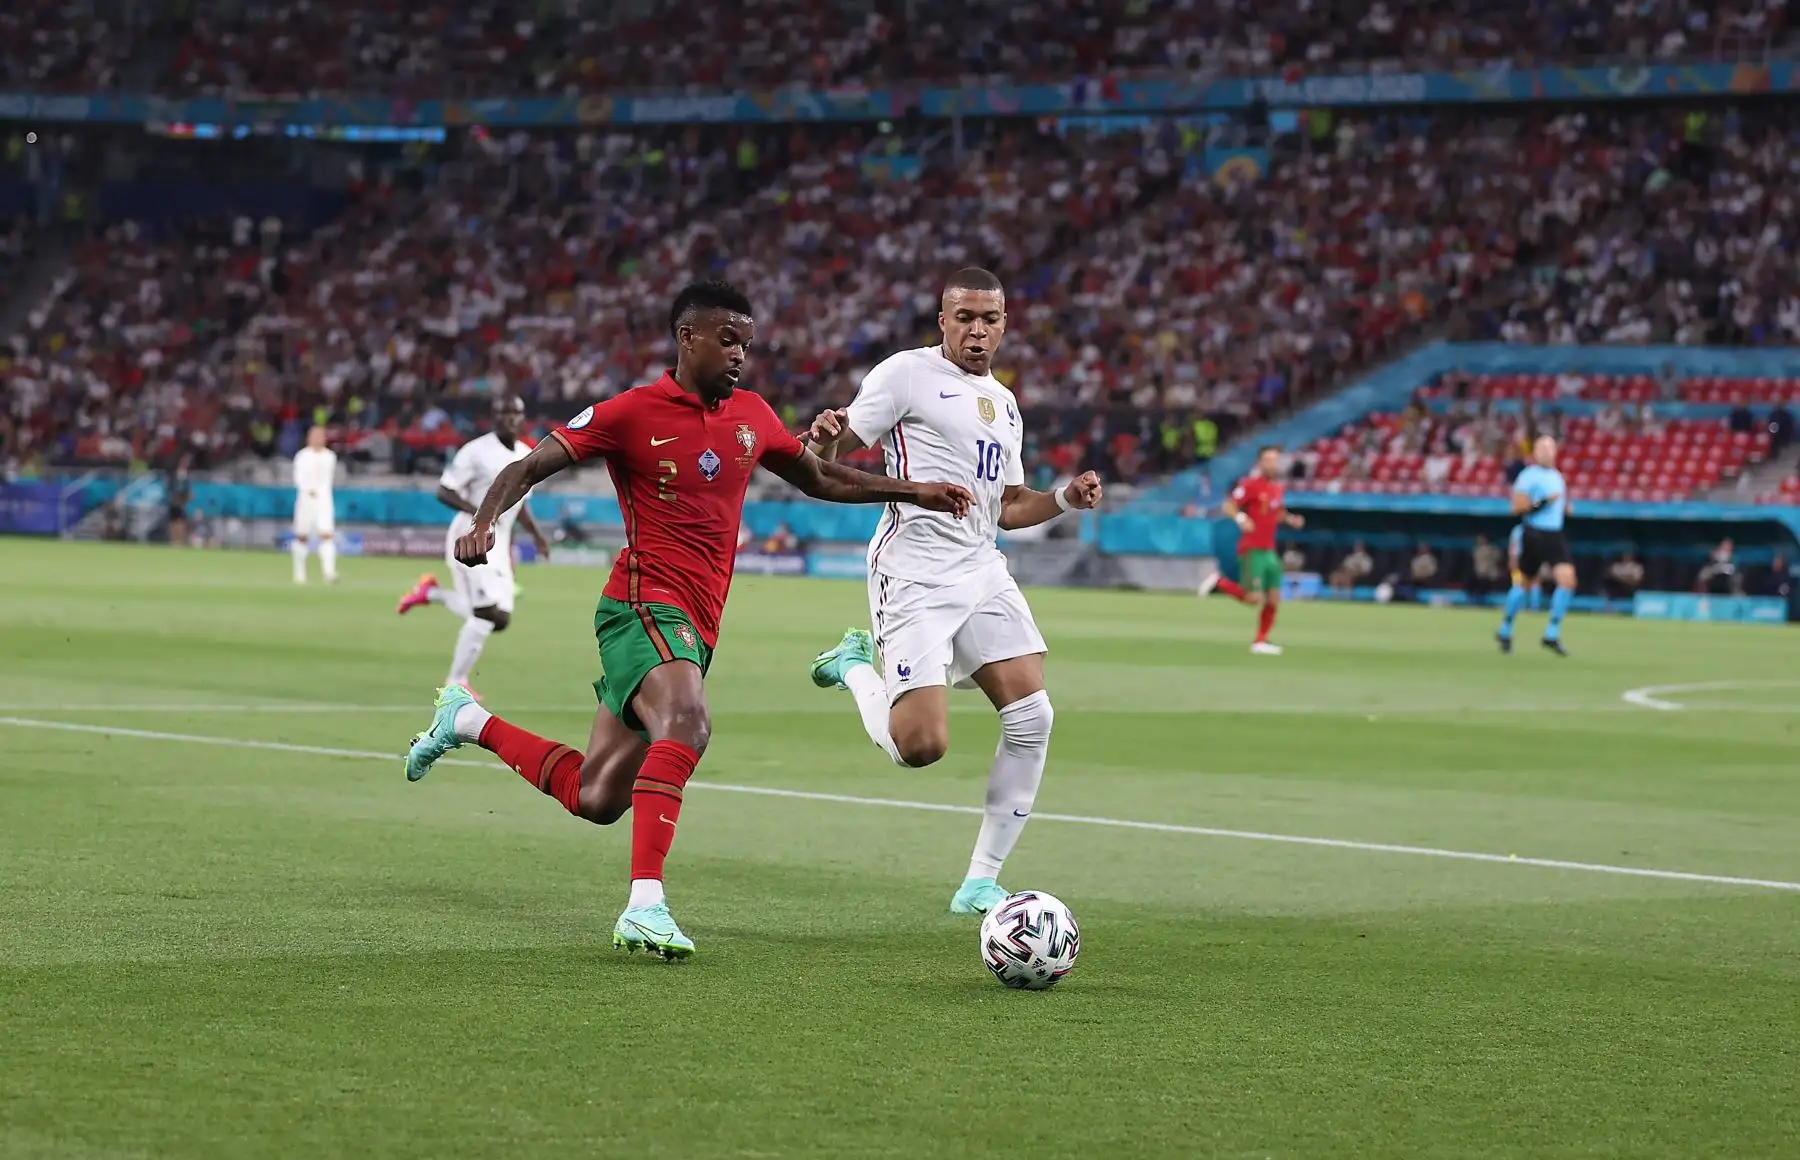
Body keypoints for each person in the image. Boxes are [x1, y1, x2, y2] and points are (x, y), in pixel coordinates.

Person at [400, 281, 973, 960]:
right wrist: (484, 522)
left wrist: (914, 490)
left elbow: (821, 478)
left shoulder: (753, 415)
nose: (738, 355)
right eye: (727, 340)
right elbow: (529, 465)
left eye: (746, 344)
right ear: (687, 338)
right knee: (689, 723)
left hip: (696, 624)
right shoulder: (630, 412)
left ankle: (467, 720)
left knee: (597, 796)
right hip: (641, 604)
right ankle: (646, 904)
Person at [800, 267, 1104, 917]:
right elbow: (828, 453)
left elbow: (1009, 505)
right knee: (921, 747)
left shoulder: (1006, 405)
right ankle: (854, 667)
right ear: (943, 320)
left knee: (1033, 716)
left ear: (1004, 326)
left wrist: (1064, 499)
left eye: (988, 319)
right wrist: (822, 441)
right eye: (963, 316)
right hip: (911, 572)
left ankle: (980, 881)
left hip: (981, 567)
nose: (976, 329)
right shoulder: (905, 374)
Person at [395, 396, 550, 697]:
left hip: (500, 542)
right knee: (485, 613)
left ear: (522, 418)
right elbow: (444, 490)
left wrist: (537, 536)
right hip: (472, 536)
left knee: (500, 618)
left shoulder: (525, 453)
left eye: (515, 413)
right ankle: (456, 680)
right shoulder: (476, 451)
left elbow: (522, 504)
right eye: (503, 412)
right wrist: (480, 513)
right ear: (493, 417)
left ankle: (432, 593)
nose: (510, 418)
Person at [1198, 445, 1305, 654]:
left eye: (1275, 460)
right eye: (1268, 460)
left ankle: (1260, 640)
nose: (1272, 464)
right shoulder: (1250, 485)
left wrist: (1291, 519)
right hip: (1252, 548)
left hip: (1269, 550)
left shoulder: (1276, 488)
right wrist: (1241, 518)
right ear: (1260, 463)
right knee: (1254, 598)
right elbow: (1228, 505)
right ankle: (1219, 582)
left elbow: (1277, 512)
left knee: (1274, 598)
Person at [1498, 435, 1575, 656]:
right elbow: (1516, 508)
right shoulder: (1528, 476)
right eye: (1541, 448)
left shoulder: (1557, 476)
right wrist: (1543, 503)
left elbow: (1557, 503)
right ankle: (1506, 627)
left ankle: (1551, 633)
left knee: (1567, 580)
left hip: (1555, 535)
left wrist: (1564, 508)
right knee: (1524, 583)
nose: (1546, 452)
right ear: (1535, 453)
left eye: (1550, 448)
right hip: (1534, 534)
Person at [290, 426, 338, 583]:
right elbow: (299, 478)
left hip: (324, 500)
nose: (318, 439)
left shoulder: (330, 456)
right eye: (315, 436)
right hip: (305, 500)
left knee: (327, 534)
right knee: (302, 536)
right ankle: (299, 574)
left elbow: (327, 478)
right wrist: (308, 489)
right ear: (309, 438)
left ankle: (329, 572)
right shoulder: (302, 456)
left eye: (321, 436)